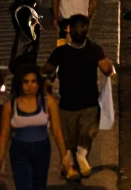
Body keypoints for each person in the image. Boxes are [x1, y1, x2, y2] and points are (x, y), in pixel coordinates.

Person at [44, 14, 113, 179]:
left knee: (88, 133)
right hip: (67, 104)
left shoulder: (94, 49)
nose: (79, 30)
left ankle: (81, 157)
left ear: (87, 28)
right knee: (69, 140)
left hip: (89, 103)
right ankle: (69, 165)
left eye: (82, 27)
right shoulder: (60, 52)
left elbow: (106, 69)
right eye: (75, 27)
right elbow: (48, 69)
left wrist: (108, 66)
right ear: (69, 29)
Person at [0, 63, 76, 189]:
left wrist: (64, 158)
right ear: (20, 84)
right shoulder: (10, 105)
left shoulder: (48, 102)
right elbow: (4, 135)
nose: (30, 86)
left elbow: (57, 131)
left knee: (39, 185)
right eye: (26, 82)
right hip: (19, 150)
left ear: (39, 83)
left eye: (34, 81)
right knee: (22, 186)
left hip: (41, 149)